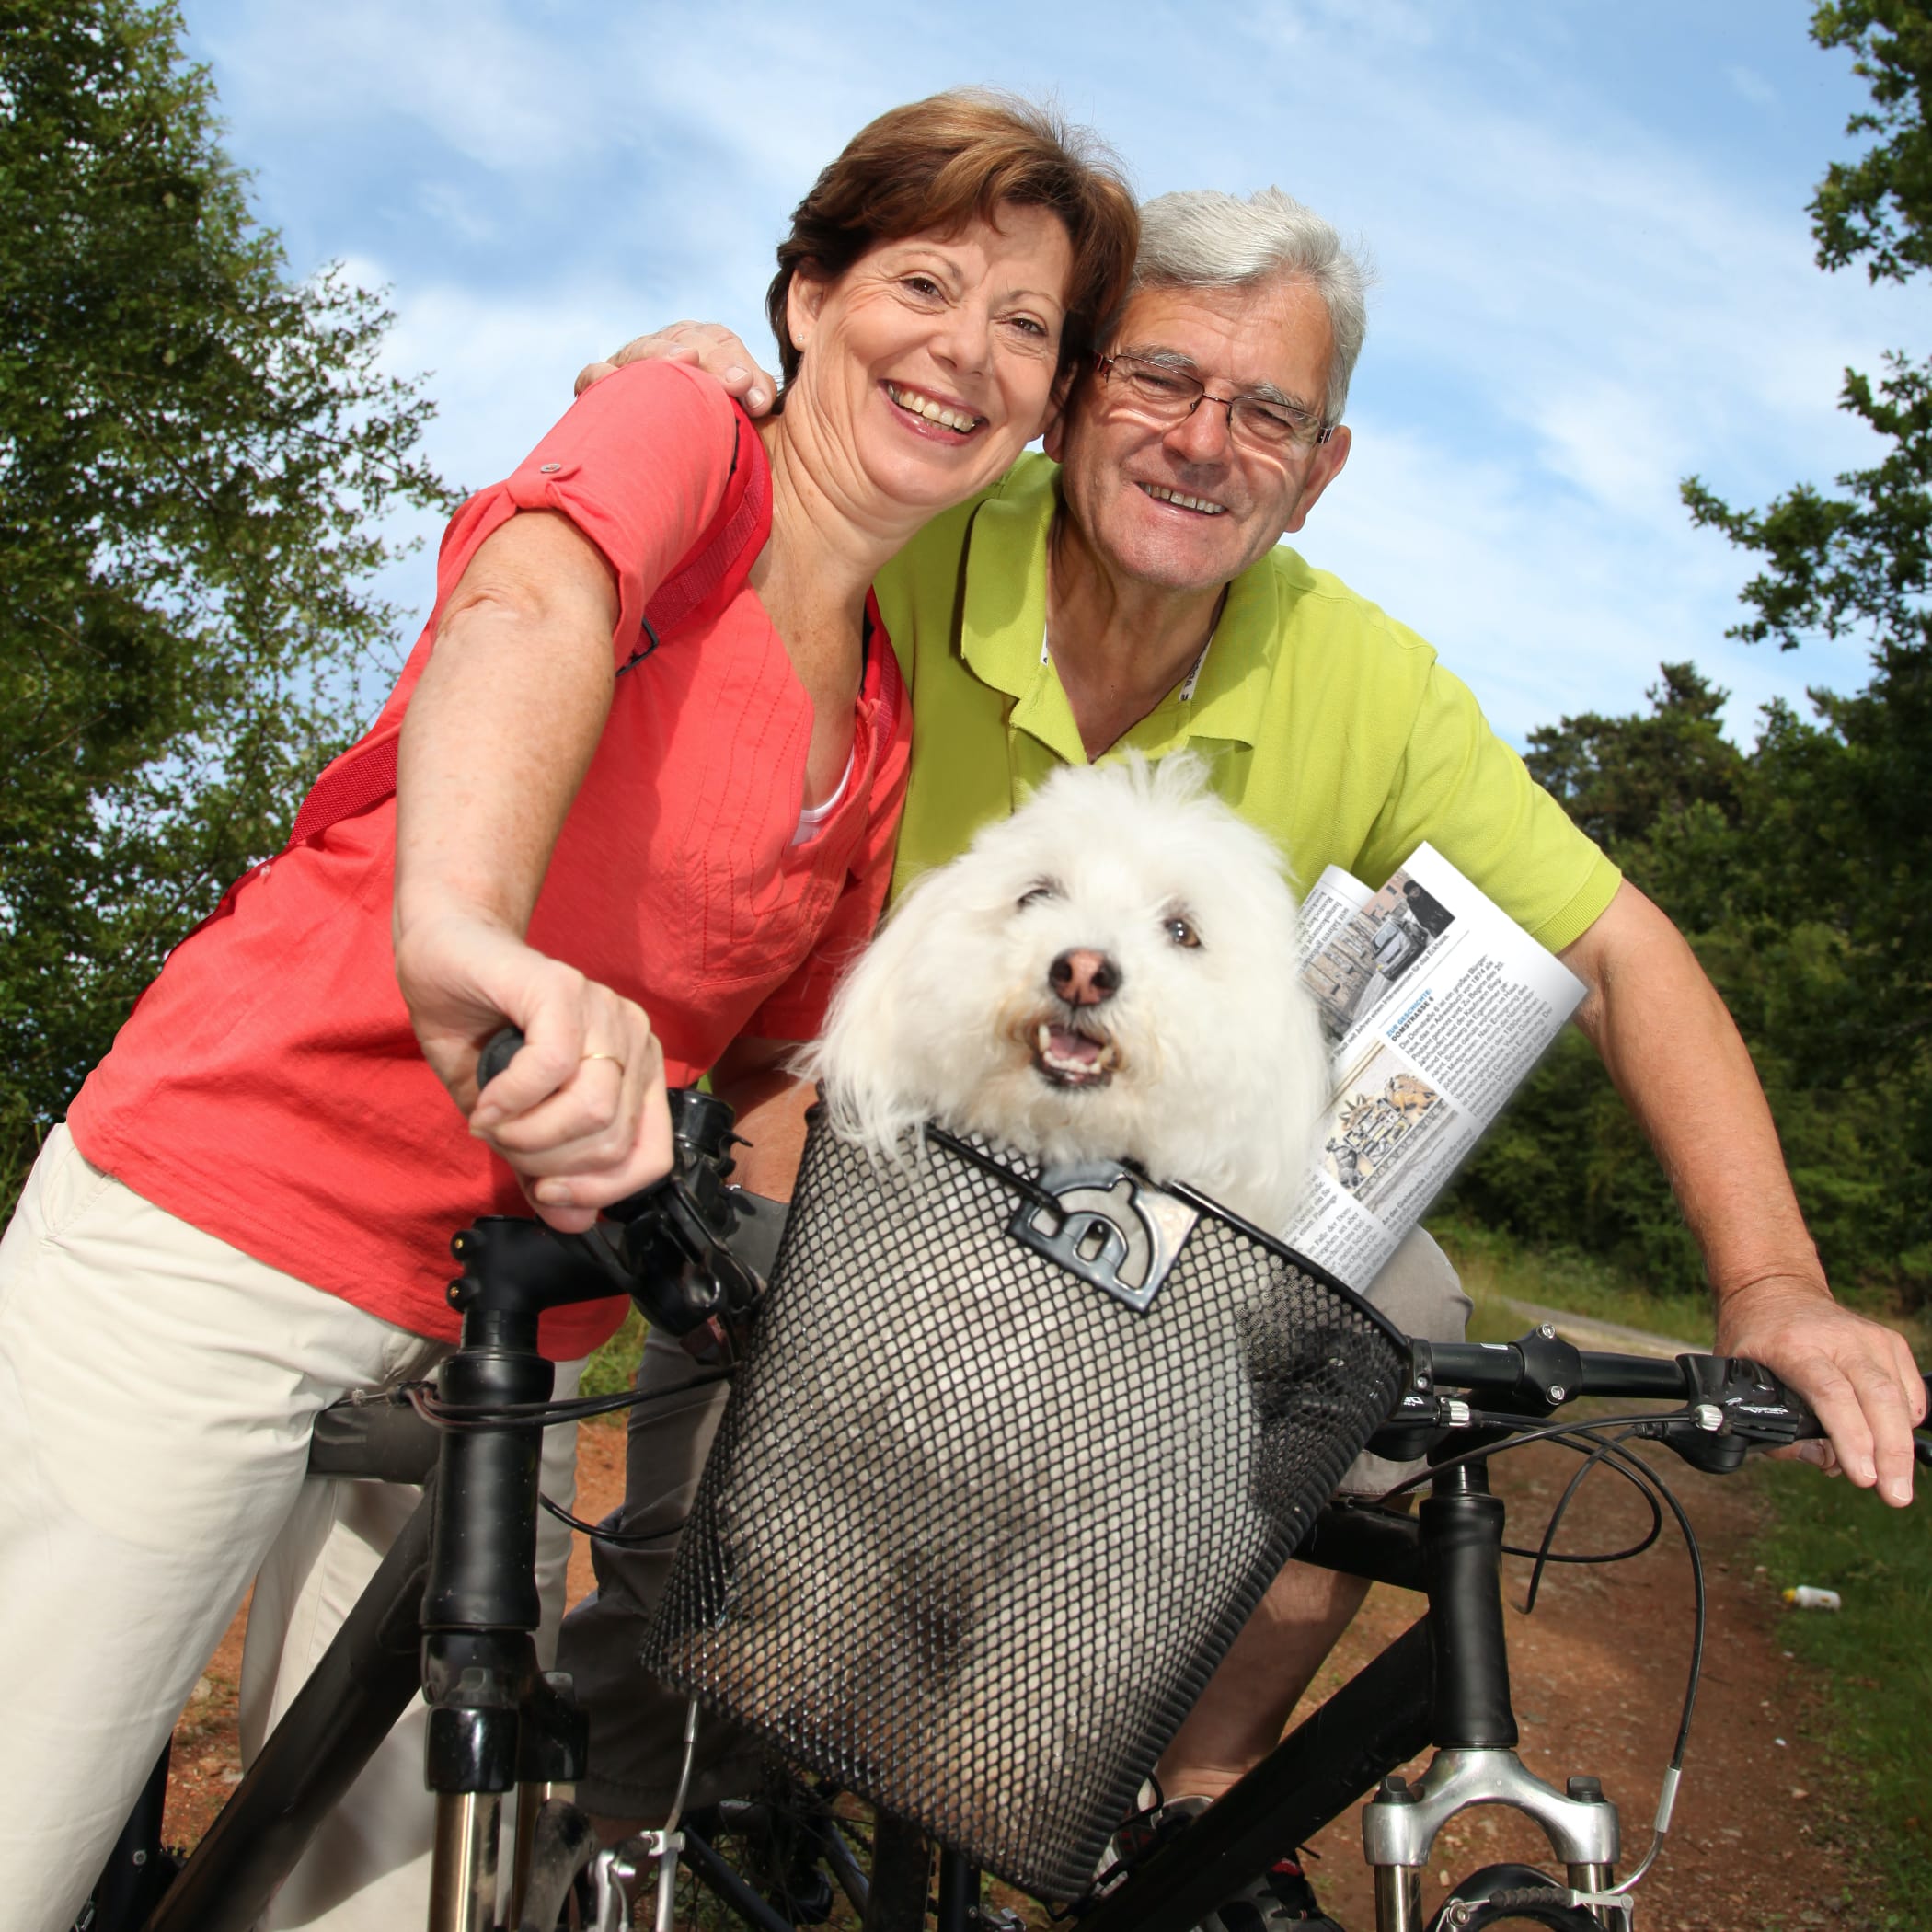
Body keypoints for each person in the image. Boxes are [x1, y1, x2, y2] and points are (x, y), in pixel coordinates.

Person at [576, 181, 1925, 1930]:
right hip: (840, 1140)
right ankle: (615, 1846)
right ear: (1071, 391)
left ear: (1321, 466)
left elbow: (1621, 950)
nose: (1204, 443)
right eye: (1158, 379)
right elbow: (728, 491)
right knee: (698, 1604)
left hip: (1150, 1213)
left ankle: (1189, 1802)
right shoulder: (922, 521)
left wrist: (1774, 1284)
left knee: (1398, 1311)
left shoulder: (1366, 678)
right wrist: (691, 395)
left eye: (1267, 412)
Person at [0, 90, 1137, 1932]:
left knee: (403, 1900)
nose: (967, 351)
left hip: (498, 1347)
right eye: (925, 284)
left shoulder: (879, 726)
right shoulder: (685, 437)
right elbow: (530, 600)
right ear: (806, 296)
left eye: (1027, 327)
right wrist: (462, 927)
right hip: (225, 1219)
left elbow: (760, 1083)